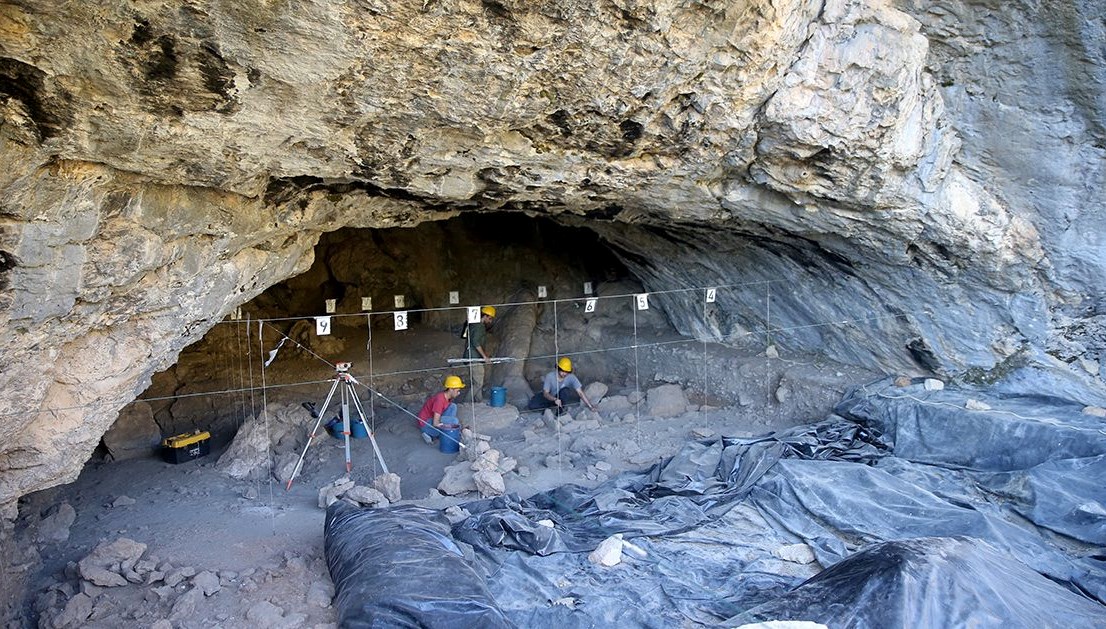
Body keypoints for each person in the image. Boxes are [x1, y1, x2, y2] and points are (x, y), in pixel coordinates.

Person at [527, 357, 597, 415]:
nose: (564, 373)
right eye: (563, 371)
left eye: (567, 372)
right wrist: (554, 399)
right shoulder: (550, 376)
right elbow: (545, 394)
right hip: (550, 397)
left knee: (565, 390)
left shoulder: (571, 377)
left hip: (560, 399)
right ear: (558, 368)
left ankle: (560, 410)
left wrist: (590, 406)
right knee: (532, 406)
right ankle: (549, 408)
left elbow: (580, 392)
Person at [417, 375, 465, 445]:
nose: (459, 393)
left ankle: (445, 431)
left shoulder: (447, 397)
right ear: (451, 389)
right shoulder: (439, 400)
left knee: (453, 406)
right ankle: (429, 433)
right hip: (426, 424)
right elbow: (435, 423)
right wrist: (459, 427)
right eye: (457, 390)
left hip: (432, 418)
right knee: (454, 421)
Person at [463, 305, 496, 402]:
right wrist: (485, 357)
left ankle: (479, 401)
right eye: (489, 318)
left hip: (472, 357)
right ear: (484, 316)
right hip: (474, 358)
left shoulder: (474, 324)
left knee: (477, 382)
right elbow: (476, 342)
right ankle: (466, 403)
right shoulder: (479, 326)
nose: (490, 321)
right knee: (478, 384)